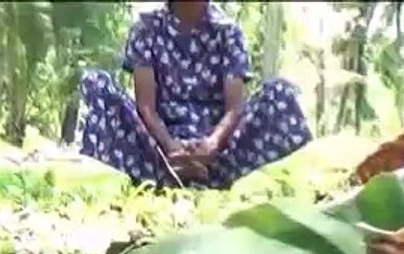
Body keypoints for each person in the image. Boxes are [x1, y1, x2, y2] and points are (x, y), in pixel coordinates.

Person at [78, 0, 311, 189]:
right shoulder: (146, 28)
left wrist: (211, 145)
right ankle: (161, 175)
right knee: (97, 84)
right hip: (157, 154)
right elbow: (146, 107)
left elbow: (234, 108)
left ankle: (219, 176)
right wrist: (171, 147)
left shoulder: (228, 31)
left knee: (280, 92)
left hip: (220, 156)